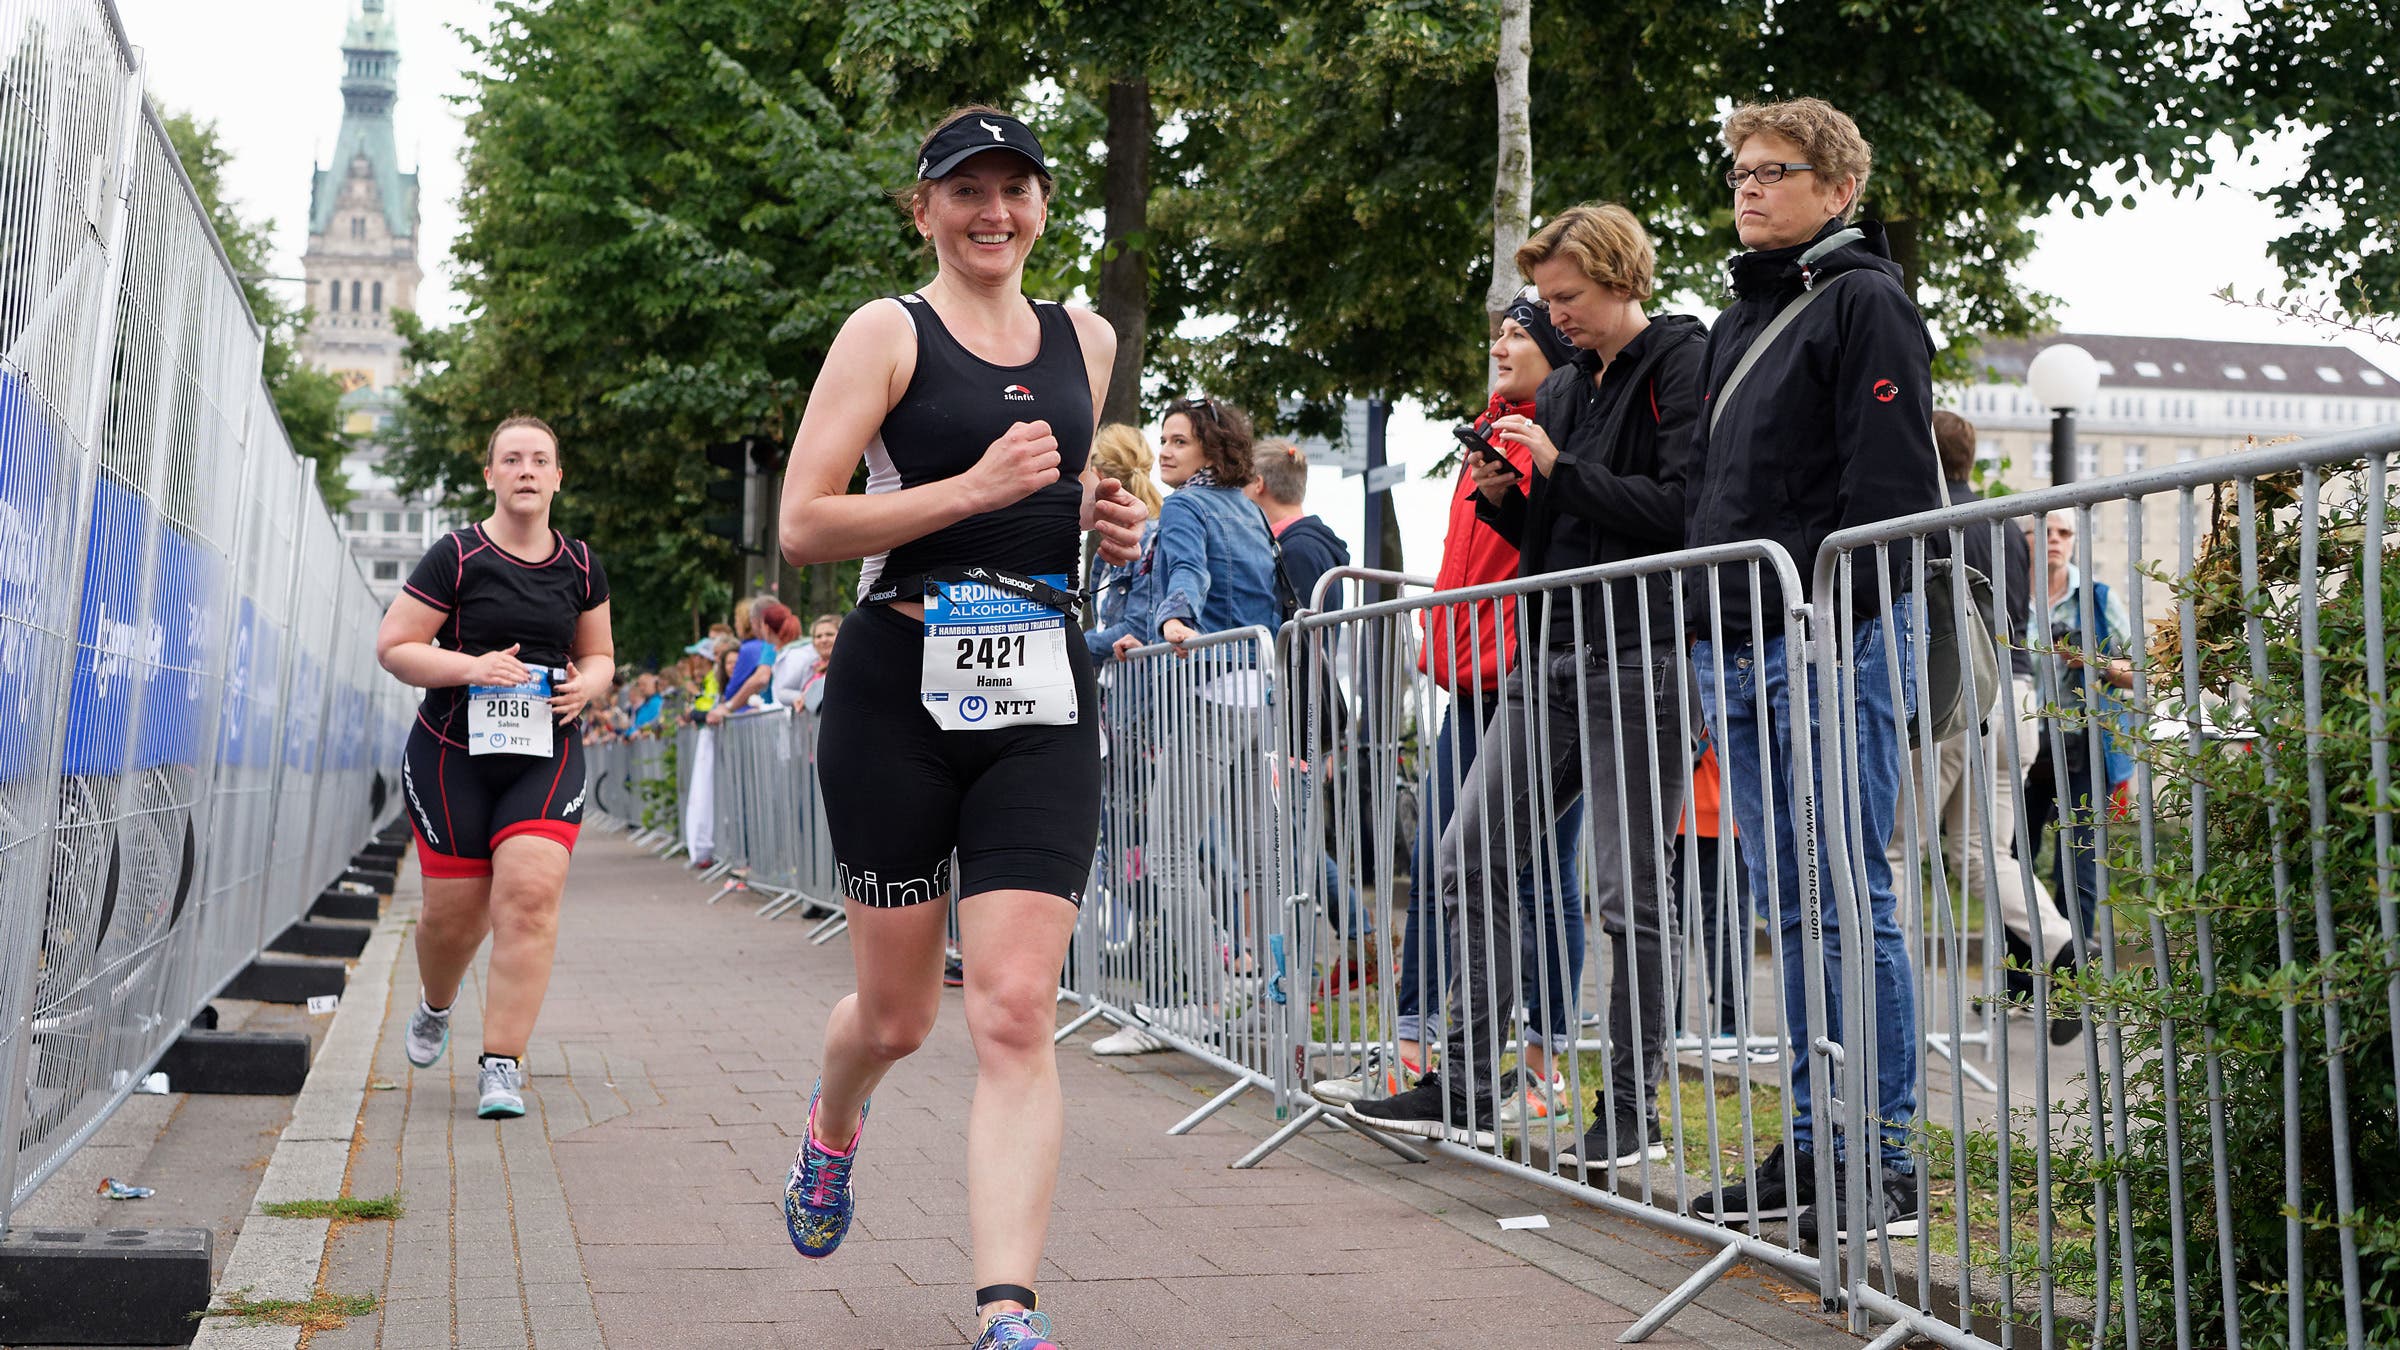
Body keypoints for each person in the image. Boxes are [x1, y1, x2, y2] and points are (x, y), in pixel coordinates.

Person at [772, 104, 1144, 1350]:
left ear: (1044, 206)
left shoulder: (1084, 337)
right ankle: (833, 1129)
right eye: (966, 192)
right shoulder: (889, 331)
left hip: (1039, 686)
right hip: (898, 687)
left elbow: (1064, 487)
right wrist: (971, 491)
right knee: (896, 1019)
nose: (995, 214)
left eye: (1016, 191)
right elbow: (807, 524)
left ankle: (1006, 1310)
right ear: (923, 208)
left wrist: (1106, 520)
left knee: (1013, 1007)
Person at [1348, 205, 1703, 1172]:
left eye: (1569, 298)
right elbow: (1558, 537)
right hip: (1549, 659)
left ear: (1624, 278)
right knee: (1465, 854)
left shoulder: (1677, 358)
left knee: (1629, 897)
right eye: (1547, 300)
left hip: (1644, 660)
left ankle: (1629, 1110)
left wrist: (1558, 470)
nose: (1558, 317)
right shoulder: (1566, 393)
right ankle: (1463, 1084)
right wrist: (1514, 498)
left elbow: (1680, 514)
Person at [1682, 97, 1944, 1242]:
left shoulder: (1868, 302)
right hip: (1736, 640)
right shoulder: (1744, 317)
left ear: (1838, 190)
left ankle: (1880, 1157)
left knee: (1850, 896)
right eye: (1739, 169)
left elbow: (1886, 497)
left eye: (1774, 170)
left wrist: (1825, 622)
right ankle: (1813, 1141)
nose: (1748, 186)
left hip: (1828, 637)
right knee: (1790, 907)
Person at [1309, 297, 1587, 1111]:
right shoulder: (1492, 430)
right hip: (1471, 679)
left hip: (1529, 678)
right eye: (1497, 331)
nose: (1500, 344)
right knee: (1443, 860)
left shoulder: (1556, 435)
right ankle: (1421, 1051)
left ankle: (1540, 1068)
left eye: (1520, 333)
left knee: (1536, 875)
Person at [377, 415, 613, 1120]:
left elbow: (600, 654)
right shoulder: (455, 556)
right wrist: (471, 665)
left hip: (546, 750)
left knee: (530, 897)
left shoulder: (578, 564)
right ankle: (435, 1003)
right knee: (453, 920)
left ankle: (502, 1063)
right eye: (511, 459)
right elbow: (395, 645)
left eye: (540, 460)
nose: (526, 471)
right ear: (490, 475)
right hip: (452, 753)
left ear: (558, 477)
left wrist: (591, 684)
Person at [1887, 413, 2082, 1046]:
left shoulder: (1922, 519)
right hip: (2015, 694)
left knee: (1896, 849)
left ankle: (1878, 988)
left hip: (1952, 695)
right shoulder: (2007, 526)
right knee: (1983, 854)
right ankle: (2063, 947)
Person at [1105, 398, 1285, 1045]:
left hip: (1210, 688)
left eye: (1180, 441)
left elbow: (1188, 572)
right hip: (1258, 692)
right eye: (1163, 439)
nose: (1167, 451)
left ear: (1212, 448)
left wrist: (1174, 618)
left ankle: (1206, 1005)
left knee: (1168, 853)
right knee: (1263, 860)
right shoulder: (1248, 509)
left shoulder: (1185, 505)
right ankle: (1273, 1002)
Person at [2022, 510, 2134, 944]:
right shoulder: (2008, 596)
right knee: (2015, 860)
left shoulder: (2098, 598)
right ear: (2022, 542)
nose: (2054, 540)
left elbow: (2138, 672)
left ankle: (2073, 989)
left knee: (2079, 865)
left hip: (2085, 746)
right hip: (2023, 745)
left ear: (2073, 541)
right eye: (2041, 532)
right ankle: (2020, 985)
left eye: (2063, 532)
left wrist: (2094, 663)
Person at [799, 613, 838, 714]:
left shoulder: (847, 665)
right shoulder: (809, 667)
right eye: (818, 636)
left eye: (829, 634)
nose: (823, 640)